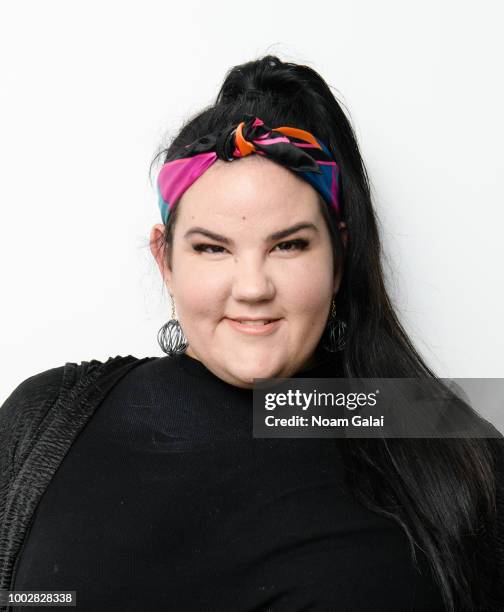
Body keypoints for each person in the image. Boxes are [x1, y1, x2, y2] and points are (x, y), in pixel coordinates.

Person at [0, 55, 503, 612]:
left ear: (339, 254)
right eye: (212, 248)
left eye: (288, 245)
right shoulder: (46, 417)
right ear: (166, 261)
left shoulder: (432, 431)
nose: (252, 287)